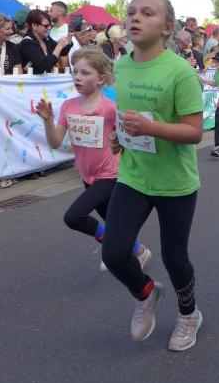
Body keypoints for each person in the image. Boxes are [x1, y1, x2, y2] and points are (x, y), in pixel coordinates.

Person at [101, 0, 204, 352]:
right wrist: (119, 137)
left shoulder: (180, 72)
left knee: (174, 258)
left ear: (167, 27)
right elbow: (127, 117)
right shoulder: (122, 66)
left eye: (147, 13)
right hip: (134, 175)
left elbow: (195, 132)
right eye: (131, 12)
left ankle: (189, 315)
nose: (135, 18)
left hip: (175, 182)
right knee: (114, 252)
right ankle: (146, 293)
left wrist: (151, 128)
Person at [36, 47, 153, 269]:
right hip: (87, 175)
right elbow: (55, 142)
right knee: (114, 223)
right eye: (75, 72)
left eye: (85, 73)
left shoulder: (110, 109)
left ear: (100, 79)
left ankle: (112, 246)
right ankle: (139, 251)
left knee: (74, 217)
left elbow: (129, 139)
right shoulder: (69, 106)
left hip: (110, 175)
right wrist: (48, 121)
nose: (77, 77)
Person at [19, 9, 71, 74]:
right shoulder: (27, 43)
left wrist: (69, 40)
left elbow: (63, 52)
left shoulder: (46, 39)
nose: (49, 28)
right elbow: (44, 65)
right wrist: (59, 46)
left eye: (50, 25)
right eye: (46, 26)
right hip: (28, 80)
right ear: (34, 26)